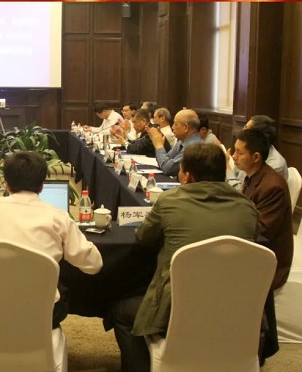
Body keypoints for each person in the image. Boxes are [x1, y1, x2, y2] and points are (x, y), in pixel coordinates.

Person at [110, 144, 259, 372]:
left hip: (178, 311)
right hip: (237, 312)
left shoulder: (169, 201)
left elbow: (143, 237)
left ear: (187, 176)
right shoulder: (247, 208)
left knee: (121, 312)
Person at [0, 151, 103, 327]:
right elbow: (94, 264)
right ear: (41, 186)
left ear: (7, 184)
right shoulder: (58, 217)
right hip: (43, 310)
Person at [233, 129, 292, 290]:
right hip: (251, 248)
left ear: (256, 157)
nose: (234, 157)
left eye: (239, 152)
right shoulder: (252, 176)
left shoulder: (272, 186)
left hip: (267, 260)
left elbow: (262, 231)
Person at [148, 109, 203, 177]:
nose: (172, 127)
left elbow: (168, 169)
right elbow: (165, 160)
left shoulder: (193, 146)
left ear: (185, 127)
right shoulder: (182, 141)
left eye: (175, 124)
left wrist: (159, 145)